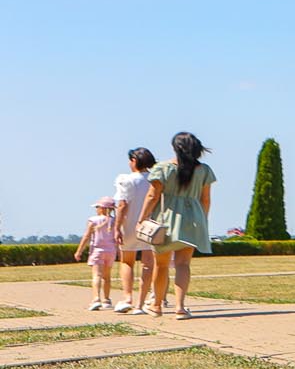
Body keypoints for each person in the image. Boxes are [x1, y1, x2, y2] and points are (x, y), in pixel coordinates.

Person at [138, 132, 215, 319]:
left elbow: (152, 196)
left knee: (161, 265)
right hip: (193, 219)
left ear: (175, 147)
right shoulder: (204, 170)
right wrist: (203, 219)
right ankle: (180, 307)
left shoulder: (163, 168)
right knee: (183, 264)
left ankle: (156, 305)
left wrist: (142, 218)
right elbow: (205, 199)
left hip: (166, 219)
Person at [112, 146, 156, 314]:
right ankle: (142, 301)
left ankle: (127, 297)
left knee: (127, 261)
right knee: (148, 264)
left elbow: (122, 205)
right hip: (150, 224)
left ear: (134, 161)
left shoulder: (126, 180)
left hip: (130, 224)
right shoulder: (155, 179)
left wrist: (117, 227)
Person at [75, 196, 122, 309]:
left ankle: (96, 299)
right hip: (110, 251)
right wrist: (120, 253)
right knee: (107, 276)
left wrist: (79, 251)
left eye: (97, 207)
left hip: (97, 250)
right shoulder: (115, 221)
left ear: (101, 208)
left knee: (97, 275)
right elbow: (118, 239)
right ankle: (106, 300)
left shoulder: (93, 220)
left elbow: (86, 236)